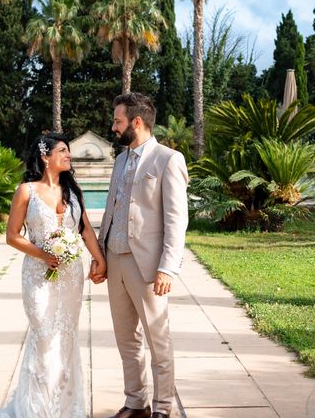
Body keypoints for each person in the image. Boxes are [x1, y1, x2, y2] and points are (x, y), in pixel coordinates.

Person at [0, 133, 106, 418]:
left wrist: (100, 260)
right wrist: (44, 254)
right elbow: (12, 236)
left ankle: (66, 408)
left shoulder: (74, 192)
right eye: (62, 151)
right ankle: (36, 410)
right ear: (45, 156)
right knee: (43, 336)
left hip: (70, 276)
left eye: (68, 151)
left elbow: (85, 230)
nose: (68, 155)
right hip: (38, 275)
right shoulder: (26, 191)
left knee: (65, 336)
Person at [93, 92, 189, 418]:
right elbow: (111, 210)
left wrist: (168, 268)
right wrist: (101, 254)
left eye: (118, 121)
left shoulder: (167, 159)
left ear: (137, 122)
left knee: (158, 341)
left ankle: (163, 409)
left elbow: (177, 220)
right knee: (126, 341)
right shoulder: (119, 160)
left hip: (147, 265)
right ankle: (136, 404)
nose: (113, 126)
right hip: (115, 259)